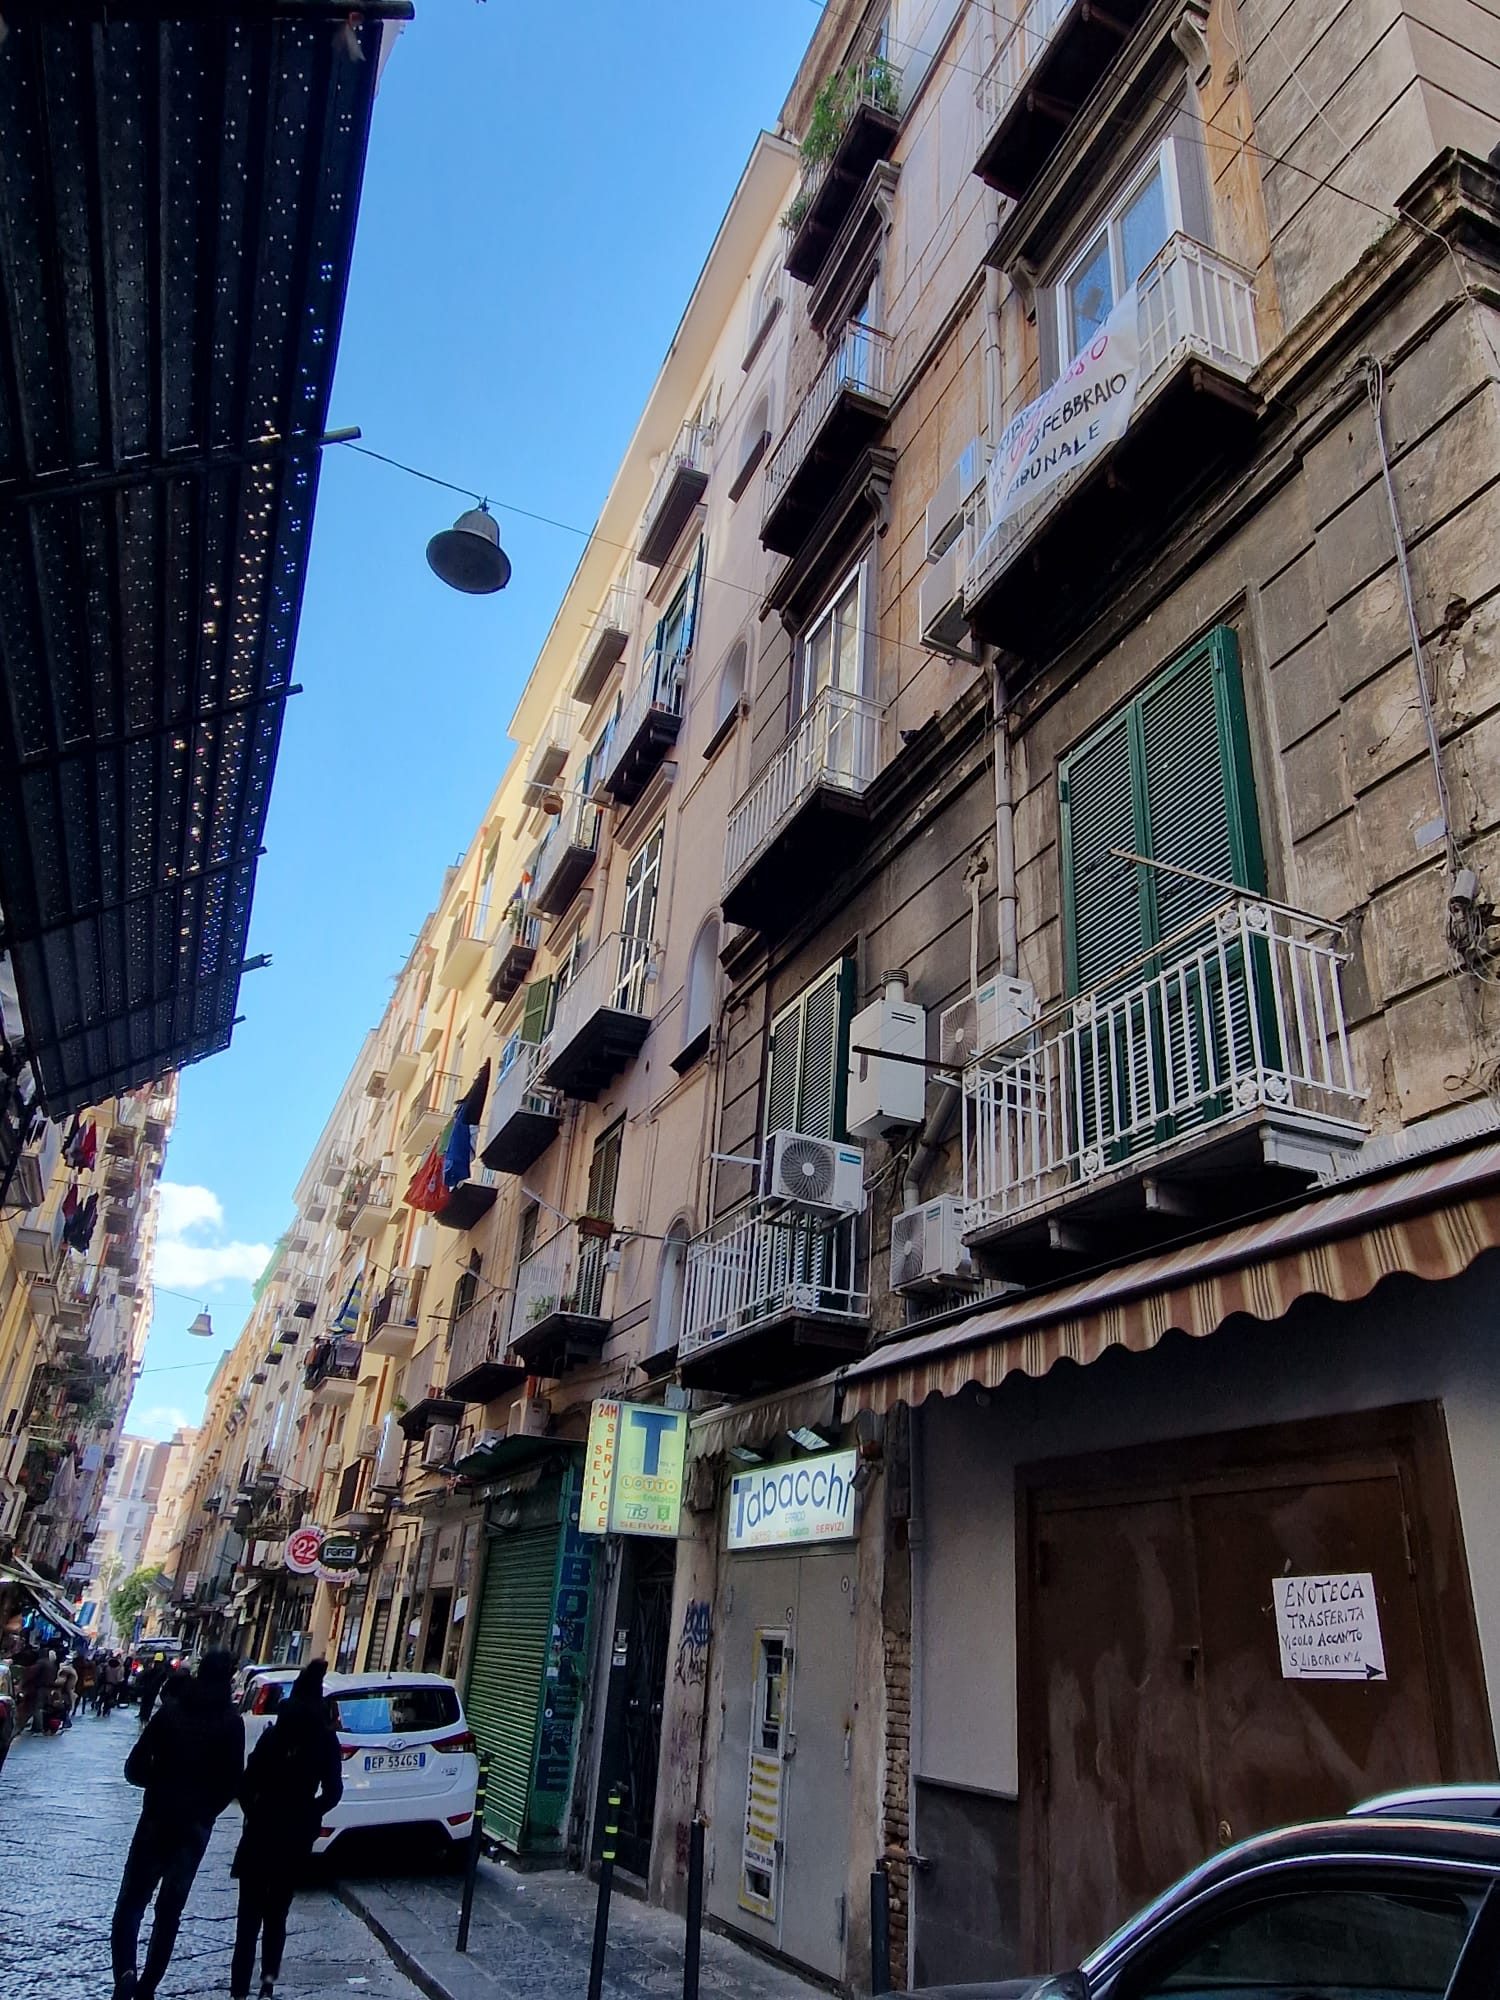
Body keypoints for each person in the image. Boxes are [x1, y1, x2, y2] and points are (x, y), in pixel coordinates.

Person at [110, 1650, 244, 2000]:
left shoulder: (171, 1712)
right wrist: (206, 1809)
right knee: (169, 1912)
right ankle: (147, 1987)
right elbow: (233, 1781)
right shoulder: (231, 1722)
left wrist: (158, 1784)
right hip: (194, 1827)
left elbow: (134, 1767)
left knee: (131, 1902)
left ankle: (125, 1976)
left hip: (157, 1818)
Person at [230, 1660, 342, 2000]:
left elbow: (246, 1784)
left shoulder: (274, 1735)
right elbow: (333, 1792)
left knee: (248, 1919)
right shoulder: (325, 1740)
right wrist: (310, 1813)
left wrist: (255, 1812)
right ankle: (267, 1984)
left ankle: (238, 1991)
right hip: (294, 1837)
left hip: (261, 1832)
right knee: (277, 1916)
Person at [135, 1650, 168, 1725]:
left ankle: (144, 1716)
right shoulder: (160, 1669)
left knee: (147, 1702)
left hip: (150, 1688)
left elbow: (143, 1675)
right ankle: (144, 1716)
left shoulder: (155, 1668)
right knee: (148, 1703)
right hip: (151, 1688)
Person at [54, 1648, 78, 1725]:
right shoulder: (68, 1670)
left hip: (65, 1693)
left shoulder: (66, 1670)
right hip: (64, 1693)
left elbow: (66, 1685)